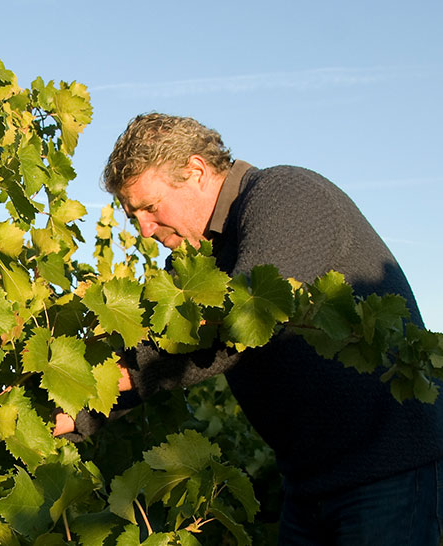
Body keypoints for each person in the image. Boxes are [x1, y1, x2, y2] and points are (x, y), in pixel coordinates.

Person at [54, 113, 443, 545]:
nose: (145, 230)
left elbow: (243, 324)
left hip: (388, 471)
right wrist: (78, 410)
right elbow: (161, 349)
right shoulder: (197, 260)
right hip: (309, 484)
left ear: (196, 171)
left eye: (149, 207)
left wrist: (122, 375)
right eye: (133, 216)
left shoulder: (285, 196)